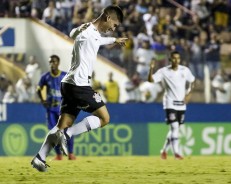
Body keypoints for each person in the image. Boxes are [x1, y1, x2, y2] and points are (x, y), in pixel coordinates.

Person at [31, 5, 127, 172]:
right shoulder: (88, 31)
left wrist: (114, 40)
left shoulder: (94, 34)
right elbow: (77, 35)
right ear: (108, 18)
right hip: (79, 85)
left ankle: (40, 158)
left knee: (62, 124)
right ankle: (66, 135)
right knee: (104, 119)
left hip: (69, 83)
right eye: (115, 25)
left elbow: (93, 39)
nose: (113, 29)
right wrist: (76, 31)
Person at [148, 51, 195, 160]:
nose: (176, 60)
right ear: (170, 60)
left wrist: (189, 93)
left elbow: (192, 81)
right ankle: (177, 153)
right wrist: (151, 69)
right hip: (170, 103)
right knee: (174, 127)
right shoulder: (164, 71)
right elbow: (151, 80)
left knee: (176, 129)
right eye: (174, 58)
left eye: (178, 58)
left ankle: (164, 150)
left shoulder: (185, 70)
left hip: (181, 104)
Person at [37, 55, 76, 161]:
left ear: (58, 63)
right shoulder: (45, 76)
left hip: (64, 109)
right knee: (54, 133)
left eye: (54, 62)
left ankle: (71, 154)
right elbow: (38, 88)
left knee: (67, 131)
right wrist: (42, 100)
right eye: (50, 62)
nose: (51, 64)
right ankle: (59, 155)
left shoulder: (65, 75)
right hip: (51, 109)